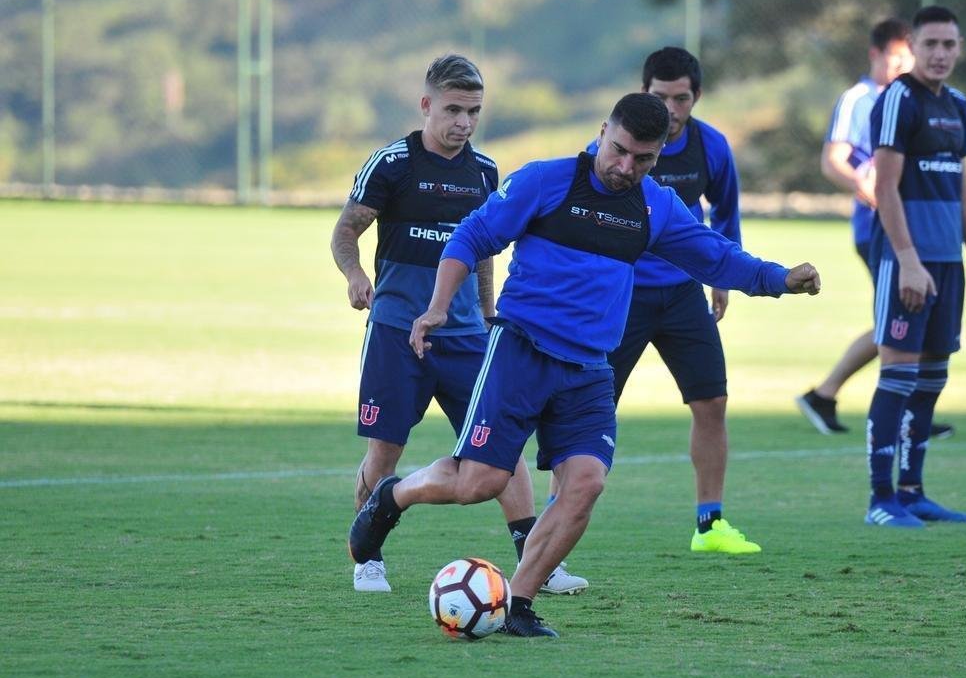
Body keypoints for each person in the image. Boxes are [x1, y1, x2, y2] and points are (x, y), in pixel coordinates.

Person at [348, 93, 821, 636]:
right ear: (602, 131)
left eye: (642, 159)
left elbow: (716, 256)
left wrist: (780, 279)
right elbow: (472, 236)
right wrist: (436, 307)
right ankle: (394, 494)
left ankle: (518, 605)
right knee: (478, 482)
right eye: (618, 151)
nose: (626, 167)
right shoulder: (545, 182)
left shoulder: (655, 207)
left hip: (589, 368)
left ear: (658, 156)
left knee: (586, 483)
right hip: (520, 351)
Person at [330, 54, 585, 595]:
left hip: (468, 337)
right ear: (426, 105)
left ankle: (535, 558)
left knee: (504, 445)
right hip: (397, 331)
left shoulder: (486, 172)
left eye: (473, 111)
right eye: (452, 110)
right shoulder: (392, 164)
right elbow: (346, 230)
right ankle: (367, 555)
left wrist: (490, 315)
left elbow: (486, 252)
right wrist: (354, 275)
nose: (463, 123)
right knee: (386, 450)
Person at [549, 46, 759, 555]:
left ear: (696, 98)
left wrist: (722, 279)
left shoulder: (711, 147)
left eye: (681, 98)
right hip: (623, 298)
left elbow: (726, 216)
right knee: (586, 410)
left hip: (683, 292)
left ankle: (710, 526)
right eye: (660, 98)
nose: (670, 109)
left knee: (711, 400)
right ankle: (549, 526)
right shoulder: (610, 148)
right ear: (643, 95)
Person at [796, 19, 953, 440]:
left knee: (906, 316)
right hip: (877, 228)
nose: (903, 67)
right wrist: (863, 185)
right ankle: (903, 414)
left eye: (909, 59)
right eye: (896, 58)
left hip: (918, 225)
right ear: (876, 55)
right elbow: (834, 160)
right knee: (907, 316)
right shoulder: (859, 99)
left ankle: (828, 395)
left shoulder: (917, 99)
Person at [862, 5, 966, 528]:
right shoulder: (898, 99)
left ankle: (913, 492)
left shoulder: (958, 105)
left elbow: (959, 187)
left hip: (948, 263)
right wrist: (909, 262)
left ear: (959, 48)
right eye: (931, 44)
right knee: (897, 377)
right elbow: (885, 186)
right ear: (912, 46)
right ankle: (880, 500)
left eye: (949, 45)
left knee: (932, 379)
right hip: (905, 260)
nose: (940, 54)